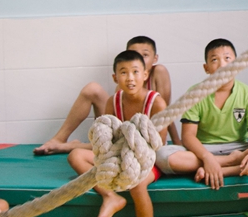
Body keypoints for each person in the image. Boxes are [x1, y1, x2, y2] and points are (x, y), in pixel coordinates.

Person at [66, 49, 166, 217]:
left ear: (145, 75)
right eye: (123, 72)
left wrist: (133, 156)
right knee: (75, 156)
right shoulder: (114, 101)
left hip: (147, 160)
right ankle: (110, 197)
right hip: (120, 155)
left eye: (135, 72)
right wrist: (116, 158)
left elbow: (159, 145)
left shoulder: (156, 104)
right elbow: (110, 136)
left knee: (137, 184)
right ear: (115, 78)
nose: (130, 78)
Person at [156, 39, 248, 189]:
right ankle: (228, 162)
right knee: (163, 156)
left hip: (239, 147)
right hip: (204, 149)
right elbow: (188, 137)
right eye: (215, 60)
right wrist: (207, 157)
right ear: (206, 68)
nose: (222, 64)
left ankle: (225, 171)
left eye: (227, 58)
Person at [35, 36, 176, 155]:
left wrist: (178, 143)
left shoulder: (159, 73)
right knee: (92, 88)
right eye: (134, 53)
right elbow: (117, 128)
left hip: (146, 138)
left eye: (145, 55)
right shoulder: (120, 88)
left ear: (155, 58)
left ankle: (72, 146)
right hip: (124, 133)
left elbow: (166, 114)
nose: (139, 57)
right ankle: (60, 139)